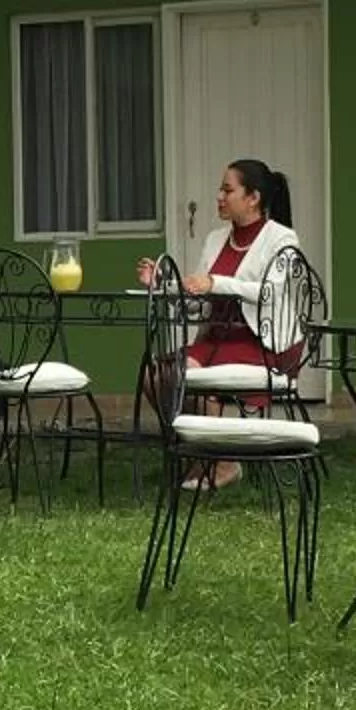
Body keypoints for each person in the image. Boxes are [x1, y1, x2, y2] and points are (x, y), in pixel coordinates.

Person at [139, 158, 305, 486]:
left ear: (253, 197)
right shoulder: (216, 239)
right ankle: (198, 453)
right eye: (220, 189)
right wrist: (162, 285)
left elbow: (270, 292)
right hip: (219, 341)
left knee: (195, 378)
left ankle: (224, 463)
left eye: (228, 190)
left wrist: (217, 283)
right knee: (153, 376)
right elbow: (199, 297)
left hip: (264, 343)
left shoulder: (282, 239)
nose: (219, 196)